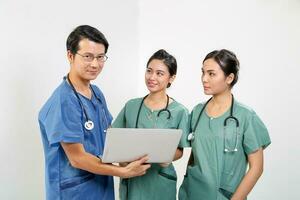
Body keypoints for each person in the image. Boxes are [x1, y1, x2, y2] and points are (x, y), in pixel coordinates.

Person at [38, 25, 150, 200]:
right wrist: (122, 172)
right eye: (88, 57)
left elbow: (109, 138)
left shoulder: (96, 94)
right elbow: (77, 158)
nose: (95, 64)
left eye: (100, 57)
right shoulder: (63, 101)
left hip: (101, 188)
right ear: (70, 56)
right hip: (73, 193)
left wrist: (126, 159)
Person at [179, 49, 271, 200]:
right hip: (191, 193)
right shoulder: (197, 111)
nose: (204, 79)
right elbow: (196, 155)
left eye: (211, 74)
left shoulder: (246, 116)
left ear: (229, 78)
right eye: (203, 72)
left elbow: (257, 168)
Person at [112, 49, 190, 200]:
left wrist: (165, 157)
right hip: (133, 181)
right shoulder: (131, 106)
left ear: (171, 78)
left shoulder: (180, 111)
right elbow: (114, 138)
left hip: (160, 181)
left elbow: (180, 150)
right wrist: (123, 162)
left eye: (159, 73)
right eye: (149, 71)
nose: (152, 77)